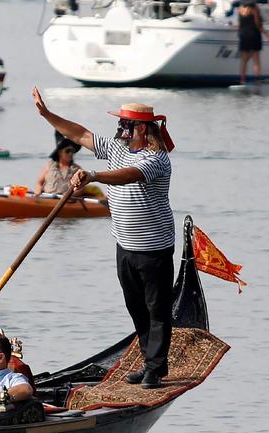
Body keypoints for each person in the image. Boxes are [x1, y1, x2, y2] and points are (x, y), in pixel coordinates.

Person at [32, 87, 176, 389]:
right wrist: (47, 116)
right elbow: (80, 133)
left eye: (124, 125)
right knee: (136, 307)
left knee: (157, 310)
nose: (119, 129)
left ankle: (156, 369)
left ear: (140, 128)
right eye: (119, 124)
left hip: (153, 247)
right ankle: (151, 361)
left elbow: (129, 174)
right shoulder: (115, 147)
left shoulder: (157, 159)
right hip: (124, 244)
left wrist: (94, 176)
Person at [237, 0, 269, 84]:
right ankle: (257, 79)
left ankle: (242, 80)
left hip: (243, 35)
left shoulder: (240, 9)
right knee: (256, 60)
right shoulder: (255, 9)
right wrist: (267, 35)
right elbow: (258, 24)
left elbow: (239, 24)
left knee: (243, 60)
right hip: (254, 34)